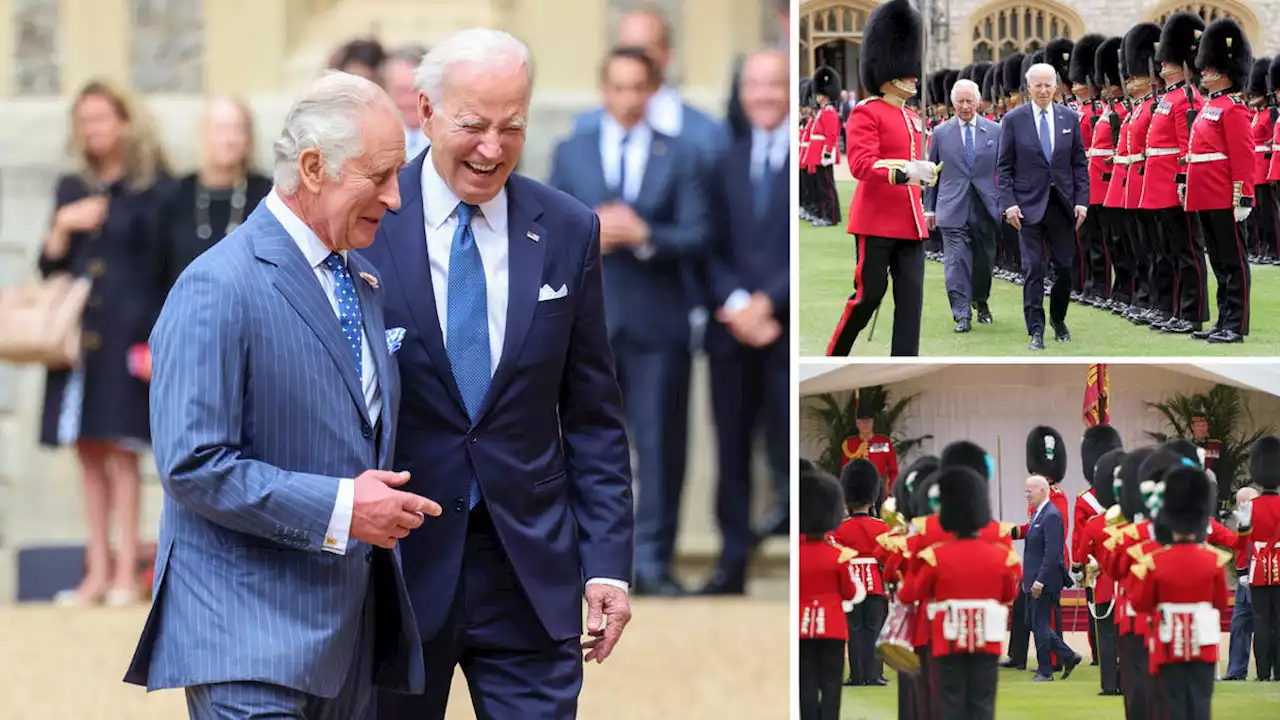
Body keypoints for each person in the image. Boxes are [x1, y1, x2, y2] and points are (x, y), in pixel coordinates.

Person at [122, 71, 436, 718]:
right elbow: (191, 465)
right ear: (315, 168)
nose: (397, 197)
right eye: (379, 175)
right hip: (245, 640)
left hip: (345, 641)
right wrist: (341, 510)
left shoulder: (362, 278)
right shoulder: (216, 285)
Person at [363, 30, 636, 718]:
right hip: (396, 571)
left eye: (511, 126)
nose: (492, 148)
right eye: (474, 125)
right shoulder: (368, 221)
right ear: (424, 109)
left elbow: (592, 413)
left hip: (529, 572)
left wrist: (606, 563)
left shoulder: (568, 229)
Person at [549, 44, 707, 598]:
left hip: (658, 324)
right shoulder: (572, 151)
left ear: (652, 91)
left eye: (638, 87)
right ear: (603, 90)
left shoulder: (682, 154)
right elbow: (543, 233)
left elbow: (698, 234)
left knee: (662, 446)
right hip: (583, 326)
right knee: (576, 446)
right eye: (617, 87)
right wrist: (591, 227)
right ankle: (581, 562)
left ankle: (654, 563)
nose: (627, 98)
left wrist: (643, 236)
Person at [41, 79, 170, 607]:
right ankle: (94, 569)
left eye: (101, 118)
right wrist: (61, 225)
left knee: (122, 452)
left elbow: (163, 269)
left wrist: (155, 339)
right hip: (79, 342)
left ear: (124, 122)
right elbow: (48, 266)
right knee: (87, 451)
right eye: (84, 120)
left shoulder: (153, 187)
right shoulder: (70, 187)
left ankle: (123, 571)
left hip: (129, 336)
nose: (92, 129)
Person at [703, 47, 789, 595]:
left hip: (782, 331)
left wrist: (769, 304)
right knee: (730, 453)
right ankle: (731, 564)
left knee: (784, 449)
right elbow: (706, 246)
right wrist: (738, 305)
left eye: (774, 85)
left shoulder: (809, 161)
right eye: (754, 85)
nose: (763, 96)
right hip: (732, 332)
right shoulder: (722, 160)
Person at [826, 0, 934, 358]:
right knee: (868, 296)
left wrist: (926, 173)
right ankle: (836, 353)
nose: (913, 78)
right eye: (907, 72)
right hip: (875, 222)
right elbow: (861, 165)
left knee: (910, 307)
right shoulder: (865, 112)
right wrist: (905, 171)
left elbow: (916, 165)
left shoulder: (914, 118)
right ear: (886, 71)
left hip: (912, 223)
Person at [898, 466, 1019, 720]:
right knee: (983, 703)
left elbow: (911, 593)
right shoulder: (1001, 557)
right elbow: (1009, 594)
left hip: (948, 638)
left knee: (950, 703)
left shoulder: (936, 556)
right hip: (986, 637)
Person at [996, 61, 1090, 351]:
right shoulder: (1013, 120)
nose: (1044, 90)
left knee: (1064, 268)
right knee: (1033, 268)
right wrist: (1009, 204)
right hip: (1026, 206)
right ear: (1029, 88)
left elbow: (1079, 164)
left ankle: (1058, 320)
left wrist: (1082, 203)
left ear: (1056, 86)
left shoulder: (1068, 118)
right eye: (1038, 85)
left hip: (1061, 206)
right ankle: (1035, 329)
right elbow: (1003, 168)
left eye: (1048, 85)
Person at [1127, 466, 1232, 720]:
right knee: (1201, 703)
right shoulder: (1213, 560)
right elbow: (1221, 602)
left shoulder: (1155, 561)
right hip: (1204, 643)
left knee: (1172, 705)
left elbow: (1140, 603)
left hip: (1167, 643)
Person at [1184, 17, 1254, 344]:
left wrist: (1244, 197)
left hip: (1225, 194)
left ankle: (1236, 325)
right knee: (1218, 261)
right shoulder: (1209, 107)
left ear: (1223, 73)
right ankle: (1223, 318)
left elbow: (1243, 156)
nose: (1203, 73)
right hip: (1205, 194)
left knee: (1233, 261)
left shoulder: (1234, 109)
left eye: (1208, 69)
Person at [157, 96, 272, 294]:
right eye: (220, 129)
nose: (228, 139)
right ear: (203, 134)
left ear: (249, 138)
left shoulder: (268, 196)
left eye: (238, 129)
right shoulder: (173, 195)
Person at [1142, 13, 1209, 334]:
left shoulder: (1187, 98)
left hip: (1174, 185)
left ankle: (1191, 312)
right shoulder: (1168, 98)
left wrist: (1183, 181)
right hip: (1157, 185)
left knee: (1187, 251)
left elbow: (1187, 147)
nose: (1163, 66)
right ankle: (1170, 307)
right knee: (1167, 251)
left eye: (1169, 61)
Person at [924, 77, 1002, 332]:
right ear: (953, 103)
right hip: (952, 206)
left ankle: (980, 300)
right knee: (955, 262)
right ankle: (961, 314)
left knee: (983, 262)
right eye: (960, 102)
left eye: (969, 101)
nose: (965, 106)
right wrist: (930, 208)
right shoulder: (940, 133)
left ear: (978, 102)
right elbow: (931, 173)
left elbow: (1004, 171)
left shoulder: (995, 131)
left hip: (985, 206)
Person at [799, 462, 862, 720]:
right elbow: (849, 593)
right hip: (833, 628)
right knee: (831, 684)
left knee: (806, 683)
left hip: (801, 627)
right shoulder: (839, 557)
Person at [1119, 24, 1166, 329]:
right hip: (1134, 183)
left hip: (1152, 183)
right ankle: (1145, 297)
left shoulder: (1155, 105)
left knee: (1155, 248)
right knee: (1139, 247)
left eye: (1135, 75)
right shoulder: (1138, 108)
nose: (1129, 81)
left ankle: (1154, 300)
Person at [1073, 448, 1126, 696]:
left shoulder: (1095, 524)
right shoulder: (1137, 522)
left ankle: (1109, 685)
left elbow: (1083, 554)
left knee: (1106, 637)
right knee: (1127, 636)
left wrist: (1080, 571)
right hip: (1130, 587)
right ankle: (1127, 682)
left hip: (1105, 585)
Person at [831, 459, 889, 687]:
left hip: (851, 582)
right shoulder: (881, 527)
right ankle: (874, 674)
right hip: (875, 581)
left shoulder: (841, 528)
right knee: (875, 629)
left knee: (854, 630)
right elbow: (887, 556)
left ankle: (857, 675)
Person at [1021, 474, 1083, 681]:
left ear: (1041, 490)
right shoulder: (1040, 514)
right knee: (1036, 623)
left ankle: (1046, 670)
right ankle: (1068, 655)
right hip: (1034, 578)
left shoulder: (1052, 515)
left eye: (1029, 491)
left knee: (1039, 624)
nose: (1026, 495)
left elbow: (1052, 552)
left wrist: (1039, 580)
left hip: (1044, 580)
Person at [1237, 435, 1280, 681]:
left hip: (1259, 570)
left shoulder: (1250, 507)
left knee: (1261, 622)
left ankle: (1263, 672)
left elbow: (1242, 542)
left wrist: (1242, 570)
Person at [1224, 484, 1260, 680]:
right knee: (1239, 627)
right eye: (1240, 503)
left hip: (1263, 580)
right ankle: (1236, 671)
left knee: (1267, 629)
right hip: (1244, 583)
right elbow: (1238, 548)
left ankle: (1268, 670)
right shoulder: (1242, 524)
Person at [381, 43, 431, 160]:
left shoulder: (447, 142)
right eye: (400, 91)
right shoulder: (371, 142)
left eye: (415, 91)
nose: (408, 101)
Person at [808, 66, 843, 228]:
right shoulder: (824, 111)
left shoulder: (829, 112)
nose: (817, 97)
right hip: (819, 152)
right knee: (823, 185)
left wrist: (827, 153)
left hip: (824, 153)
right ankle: (827, 214)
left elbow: (831, 135)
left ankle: (831, 216)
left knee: (827, 186)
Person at [839, 405, 899, 497]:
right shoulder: (849, 444)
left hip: (879, 491)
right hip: (857, 492)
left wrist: (889, 489)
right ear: (857, 423)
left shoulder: (884, 442)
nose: (866, 425)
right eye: (863, 422)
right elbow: (845, 472)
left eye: (868, 421)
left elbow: (893, 469)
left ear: (872, 422)